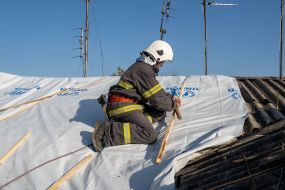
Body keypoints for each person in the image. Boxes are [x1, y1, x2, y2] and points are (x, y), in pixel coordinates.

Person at [92, 40, 181, 152]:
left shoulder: (142, 67)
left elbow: (156, 92)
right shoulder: (143, 69)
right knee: (150, 135)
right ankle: (106, 132)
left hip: (128, 104)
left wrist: (170, 98)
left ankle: (131, 123)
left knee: (159, 112)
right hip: (123, 106)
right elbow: (157, 100)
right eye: (162, 62)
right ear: (157, 57)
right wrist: (172, 104)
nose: (161, 66)